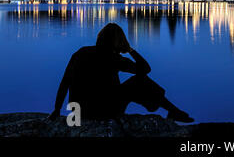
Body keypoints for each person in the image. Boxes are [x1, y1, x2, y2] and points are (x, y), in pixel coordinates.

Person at [48, 23, 194, 123]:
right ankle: (174, 111)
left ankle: (174, 111)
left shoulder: (80, 53)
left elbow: (65, 82)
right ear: (118, 41)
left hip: (78, 113)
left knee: (130, 84)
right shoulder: (113, 58)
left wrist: (57, 110)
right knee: (138, 82)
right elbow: (145, 69)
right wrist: (130, 50)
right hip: (101, 111)